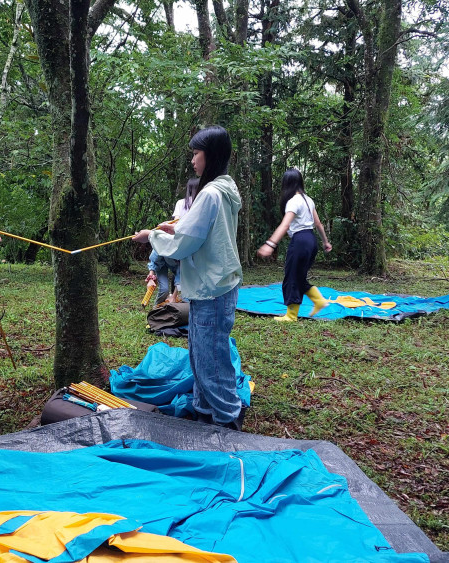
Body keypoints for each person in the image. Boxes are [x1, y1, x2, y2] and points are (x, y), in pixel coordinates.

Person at [132, 125, 243, 429]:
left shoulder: (210, 194)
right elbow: (199, 231)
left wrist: (152, 236)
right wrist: (174, 228)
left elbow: (184, 246)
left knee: (211, 360)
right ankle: (205, 413)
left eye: (196, 154)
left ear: (212, 155)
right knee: (200, 354)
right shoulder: (224, 188)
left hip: (213, 288)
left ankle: (228, 422)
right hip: (213, 286)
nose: (193, 160)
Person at [256, 168, 333, 322]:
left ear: (286, 184)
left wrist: (270, 244)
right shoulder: (307, 199)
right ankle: (318, 300)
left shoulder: (293, 201)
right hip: (311, 241)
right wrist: (325, 241)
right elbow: (318, 223)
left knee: (292, 277)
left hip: (300, 241)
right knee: (298, 276)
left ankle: (291, 315)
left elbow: (285, 225)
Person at [145, 178, 200, 304]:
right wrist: (151, 277)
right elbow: (155, 257)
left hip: (179, 259)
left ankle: (171, 310)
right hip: (163, 262)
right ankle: (155, 314)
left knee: (184, 296)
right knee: (163, 290)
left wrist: (174, 297)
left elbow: (181, 275)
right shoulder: (165, 242)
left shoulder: (185, 251)